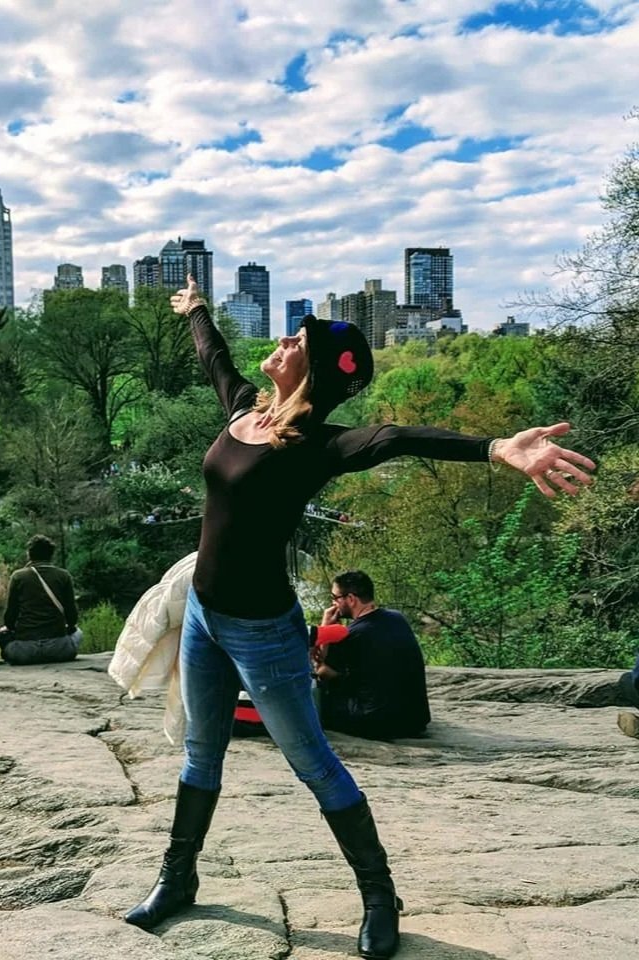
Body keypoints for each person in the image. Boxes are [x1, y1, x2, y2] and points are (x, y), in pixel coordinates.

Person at [123, 275, 595, 960]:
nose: (284, 341)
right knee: (203, 752)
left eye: (298, 342)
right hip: (204, 618)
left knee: (313, 761)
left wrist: (497, 447)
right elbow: (214, 361)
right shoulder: (243, 412)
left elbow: (398, 437)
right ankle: (178, 876)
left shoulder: (317, 444)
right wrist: (196, 309)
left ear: (311, 373)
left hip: (263, 634)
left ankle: (379, 896)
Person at [313, 571, 430, 741]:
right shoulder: (398, 618)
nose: (333, 603)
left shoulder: (352, 634)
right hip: (415, 720)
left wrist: (325, 628)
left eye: (335, 597)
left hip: (375, 724)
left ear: (351, 599)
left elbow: (321, 671)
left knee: (317, 696)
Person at [1, 534, 82, 666]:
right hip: (59, 649)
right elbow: (72, 619)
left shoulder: (18, 577)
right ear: (51, 555)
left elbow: (9, 619)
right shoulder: (64, 576)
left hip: (25, 651)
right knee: (79, 633)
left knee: (4, 636)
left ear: (29, 554)